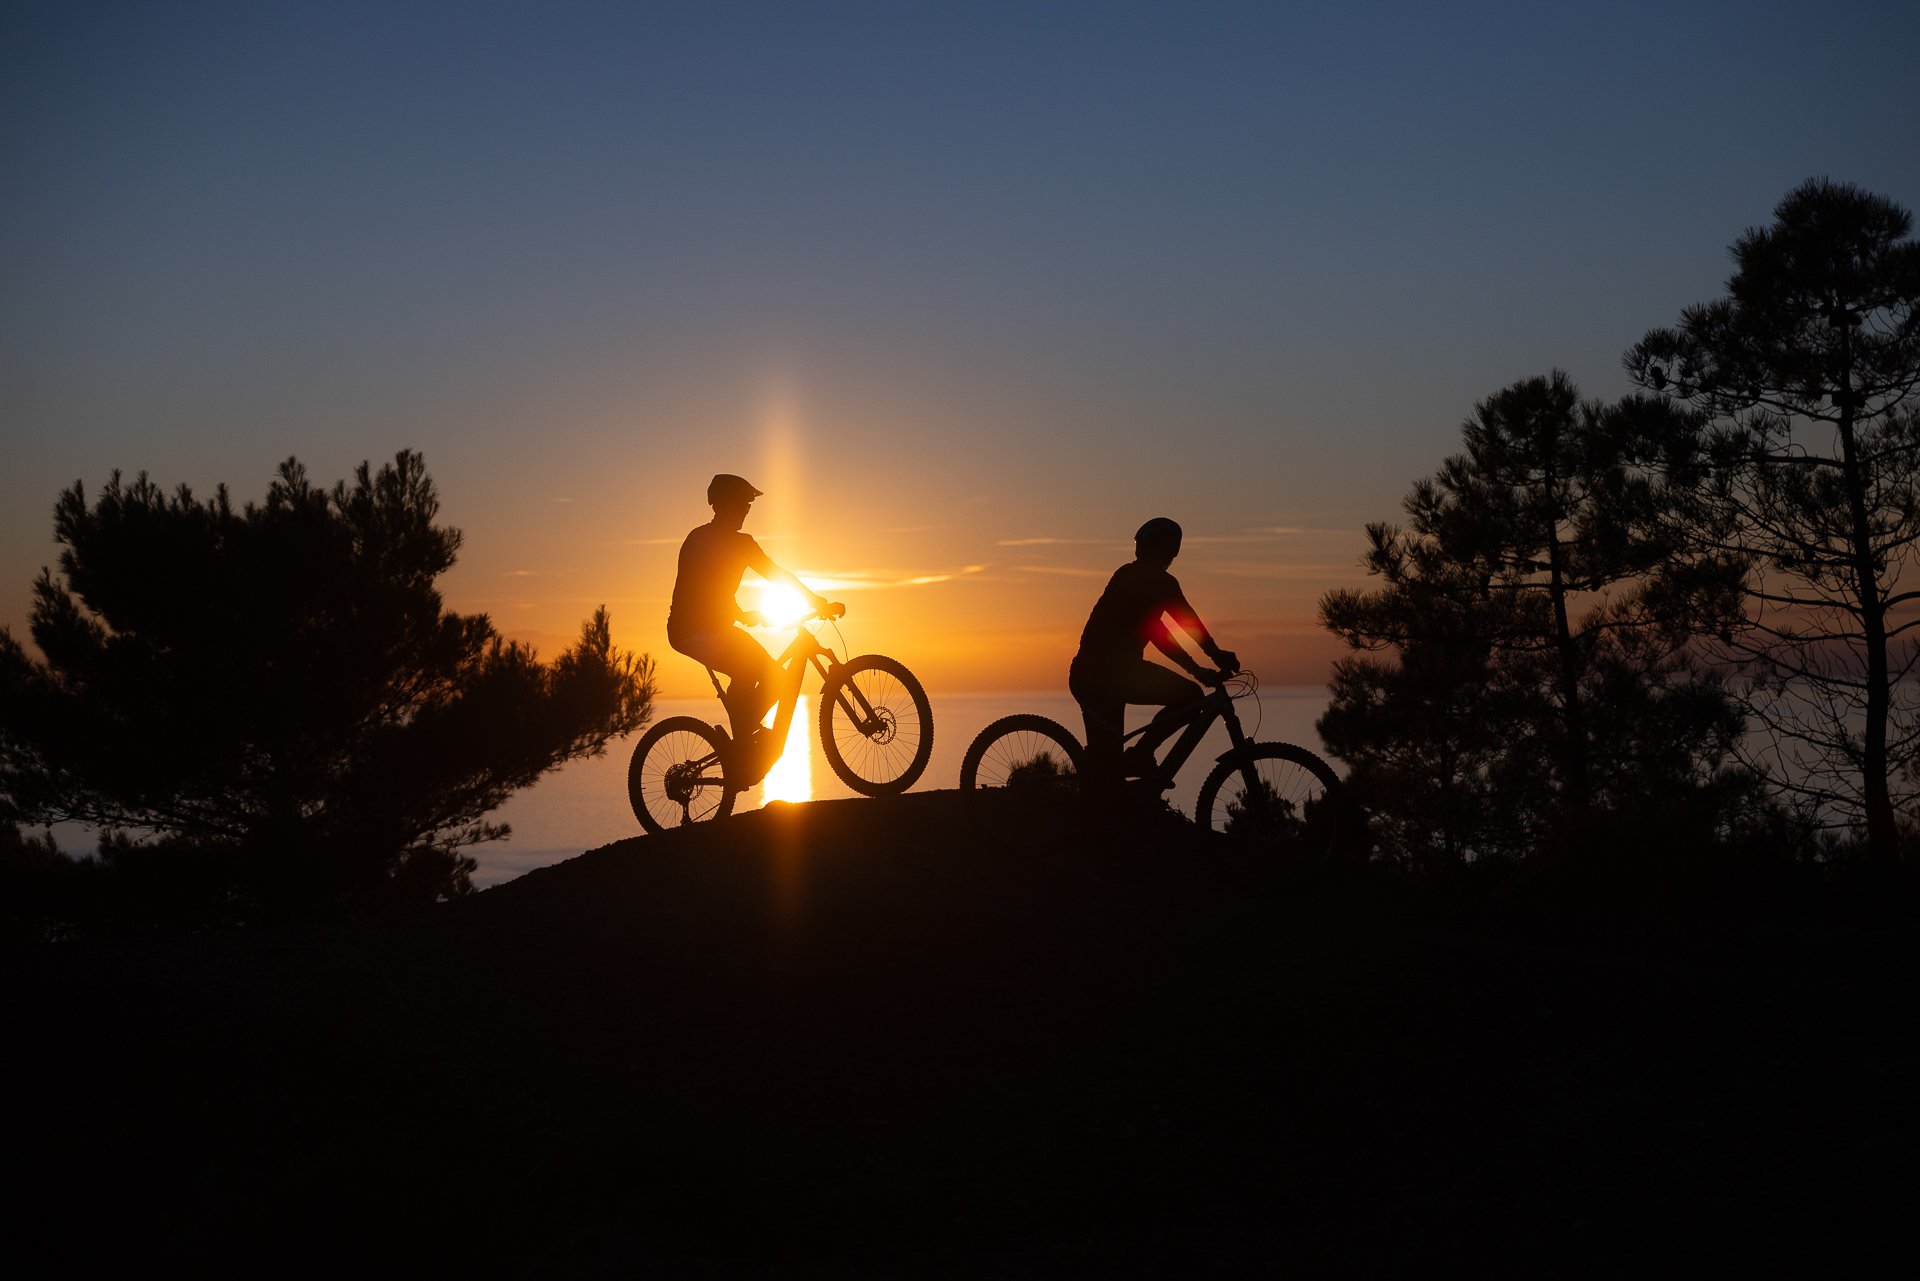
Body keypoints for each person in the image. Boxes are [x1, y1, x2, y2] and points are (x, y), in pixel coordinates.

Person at [667, 474, 840, 749]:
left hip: (709, 629)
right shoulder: (711, 541)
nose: (746, 512)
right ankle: (744, 735)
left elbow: (764, 576)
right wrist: (815, 601)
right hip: (694, 631)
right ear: (722, 505)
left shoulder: (727, 542)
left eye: (748, 506)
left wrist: (741, 613)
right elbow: (702, 590)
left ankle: (742, 739)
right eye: (742, 505)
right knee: (764, 674)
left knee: (762, 674)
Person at [1068, 517, 1238, 793]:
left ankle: (1136, 760)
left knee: (1109, 772)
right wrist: (1211, 659)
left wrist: (1206, 662)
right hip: (1101, 679)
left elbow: (1171, 630)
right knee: (1190, 698)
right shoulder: (1154, 581)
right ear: (1171, 551)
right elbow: (1179, 626)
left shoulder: (1133, 575)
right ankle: (1139, 756)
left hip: (1105, 676)